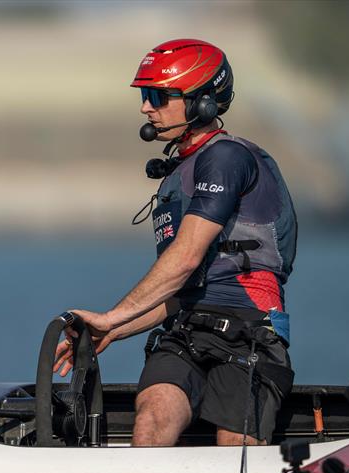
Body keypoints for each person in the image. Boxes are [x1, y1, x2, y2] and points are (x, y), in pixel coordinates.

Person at [54, 39, 297, 447]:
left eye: (158, 97)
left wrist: (111, 317)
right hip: (184, 331)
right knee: (150, 425)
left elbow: (184, 260)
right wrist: (112, 332)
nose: (146, 108)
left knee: (234, 447)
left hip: (250, 332)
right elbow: (181, 292)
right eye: (146, 97)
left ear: (202, 102)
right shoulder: (178, 174)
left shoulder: (226, 158)